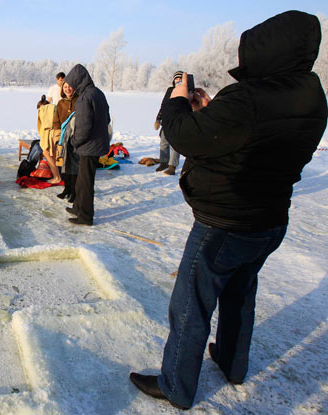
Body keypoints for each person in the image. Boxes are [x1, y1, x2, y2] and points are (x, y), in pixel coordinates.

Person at [129, 10, 327, 410]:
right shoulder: (312, 95)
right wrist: (212, 111)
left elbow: (185, 136)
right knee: (240, 293)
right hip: (270, 219)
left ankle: (176, 386)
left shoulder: (250, 97)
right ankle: (233, 363)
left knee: (190, 304)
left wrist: (178, 99)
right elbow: (250, 136)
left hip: (225, 223)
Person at [64, 64, 111, 226]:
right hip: (95, 144)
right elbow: (108, 119)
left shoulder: (84, 98)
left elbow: (83, 127)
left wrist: (74, 141)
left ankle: (85, 216)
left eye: (72, 83)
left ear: (78, 81)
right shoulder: (98, 93)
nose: (70, 87)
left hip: (89, 146)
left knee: (85, 182)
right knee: (82, 180)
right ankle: (78, 207)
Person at [153, 71, 183, 175]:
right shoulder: (170, 90)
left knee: (174, 145)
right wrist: (158, 119)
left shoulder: (186, 91)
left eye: (180, 79)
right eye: (176, 79)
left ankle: (172, 166)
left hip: (179, 121)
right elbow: (163, 105)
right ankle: (164, 162)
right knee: (163, 143)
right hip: (166, 120)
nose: (178, 81)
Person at [54, 81, 79, 202]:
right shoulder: (60, 103)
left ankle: (74, 192)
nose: (67, 89)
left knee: (73, 167)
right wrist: (56, 135)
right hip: (62, 140)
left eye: (70, 86)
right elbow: (56, 121)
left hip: (74, 139)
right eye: (65, 87)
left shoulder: (79, 101)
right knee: (62, 167)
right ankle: (67, 189)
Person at [36, 95, 63, 184]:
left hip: (53, 135)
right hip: (56, 134)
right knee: (50, 153)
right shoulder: (55, 109)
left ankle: (57, 177)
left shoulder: (43, 110)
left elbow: (40, 127)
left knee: (47, 152)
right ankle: (57, 175)